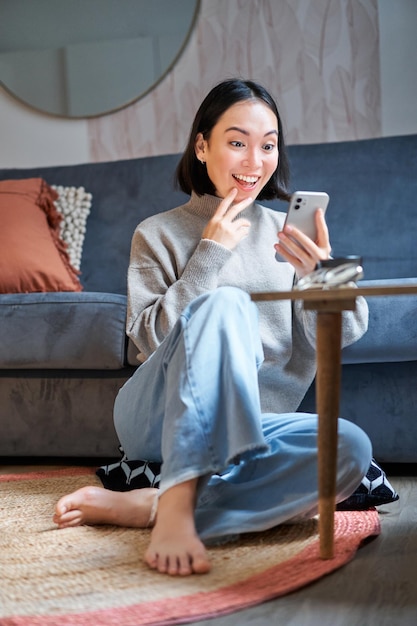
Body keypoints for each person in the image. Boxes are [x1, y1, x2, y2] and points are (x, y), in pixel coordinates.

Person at [53, 79, 372, 577]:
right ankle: (177, 505)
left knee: (349, 446)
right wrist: (210, 254)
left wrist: (323, 276)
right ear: (202, 146)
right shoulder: (156, 232)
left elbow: (346, 334)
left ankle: (150, 506)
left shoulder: (288, 235)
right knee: (226, 305)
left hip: (250, 426)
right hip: (156, 418)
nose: (255, 161)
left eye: (268, 145)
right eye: (237, 142)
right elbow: (149, 339)